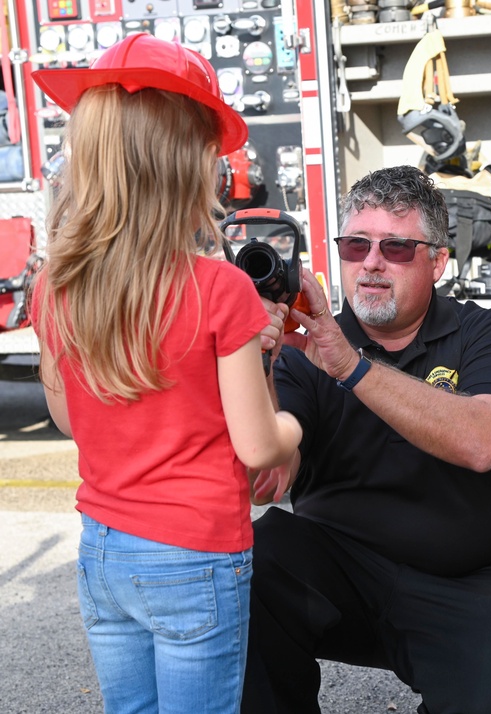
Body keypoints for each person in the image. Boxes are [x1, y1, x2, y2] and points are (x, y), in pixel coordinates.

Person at [29, 34, 302, 714]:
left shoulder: (55, 287)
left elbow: (69, 420)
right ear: (189, 166)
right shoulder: (219, 289)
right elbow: (259, 449)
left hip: (101, 552)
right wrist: (294, 424)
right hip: (194, 556)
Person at [243, 165, 491, 714]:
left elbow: (484, 440)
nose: (371, 262)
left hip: (460, 583)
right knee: (251, 566)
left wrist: (351, 368)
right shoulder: (302, 347)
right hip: (337, 576)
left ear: (437, 262)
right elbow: (266, 482)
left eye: (397, 248)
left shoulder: (483, 332)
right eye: (356, 244)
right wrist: (256, 362)